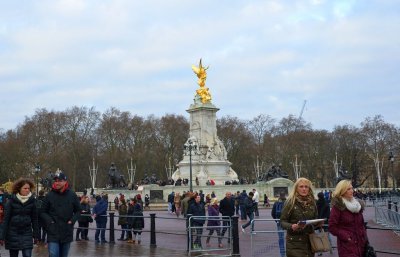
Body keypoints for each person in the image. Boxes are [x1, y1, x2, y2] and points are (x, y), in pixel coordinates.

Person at [0, 178, 39, 257]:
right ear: (19, 189)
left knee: (27, 255)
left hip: (27, 233)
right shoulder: (11, 201)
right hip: (12, 233)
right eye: (25, 188)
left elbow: (35, 219)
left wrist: (36, 235)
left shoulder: (32, 201)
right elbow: (6, 219)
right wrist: (2, 236)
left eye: (28, 188)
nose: (27, 190)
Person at [280, 177, 318, 257]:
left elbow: (315, 220)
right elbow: (282, 222)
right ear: (296, 188)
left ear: (309, 189)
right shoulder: (290, 202)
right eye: (301, 187)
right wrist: (292, 226)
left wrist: (318, 224)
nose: (304, 189)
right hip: (295, 244)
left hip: (309, 243)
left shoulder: (312, 203)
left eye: (306, 187)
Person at [328, 180, 367, 257]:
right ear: (342, 191)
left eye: (352, 188)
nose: (352, 191)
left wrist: (364, 237)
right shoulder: (338, 207)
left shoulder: (357, 205)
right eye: (348, 189)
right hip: (347, 247)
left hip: (361, 244)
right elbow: (332, 227)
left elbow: (362, 225)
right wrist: (346, 237)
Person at [271, 192, 286, 257]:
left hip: (279, 222)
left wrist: (276, 220)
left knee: (281, 238)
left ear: (279, 196)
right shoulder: (288, 202)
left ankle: (282, 254)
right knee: (290, 237)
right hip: (288, 222)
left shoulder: (276, 203)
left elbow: (272, 213)